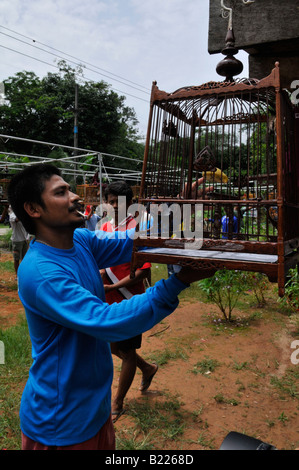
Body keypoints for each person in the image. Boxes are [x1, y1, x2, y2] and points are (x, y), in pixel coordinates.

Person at [7, 163, 215, 450]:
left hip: (93, 409)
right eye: (61, 192)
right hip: (61, 423)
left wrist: (180, 206)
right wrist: (177, 283)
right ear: (33, 209)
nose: (75, 197)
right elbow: (106, 321)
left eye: (69, 189)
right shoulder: (41, 272)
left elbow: (136, 241)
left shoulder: (80, 240)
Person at [101, 181, 157, 422]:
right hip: (107, 298)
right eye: (110, 201)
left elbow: (144, 270)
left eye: (118, 201)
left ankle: (118, 401)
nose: (114, 205)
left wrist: (114, 285)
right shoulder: (104, 226)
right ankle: (147, 368)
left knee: (128, 349)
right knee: (114, 347)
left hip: (129, 297)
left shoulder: (139, 227)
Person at [8, 206, 29, 277]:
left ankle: (23, 274)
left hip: (24, 239)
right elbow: (17, 220)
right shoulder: (12, 215)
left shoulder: (22, 214)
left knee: (24, 258)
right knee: (16, 259)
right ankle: (17, 275)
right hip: (17, 240)